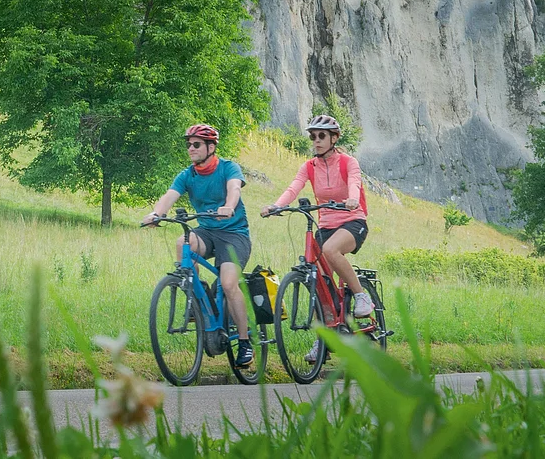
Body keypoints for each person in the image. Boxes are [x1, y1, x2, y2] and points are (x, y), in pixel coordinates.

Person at [141, 123, 255, 370]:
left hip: (234, 234)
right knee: (182, 243)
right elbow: (170, 196)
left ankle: (245, 342)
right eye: (188, 145)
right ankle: (198, 296)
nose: (191, 149)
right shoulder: (187, 175)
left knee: (227, 283)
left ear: (211, 147)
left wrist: (229, 206)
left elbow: (234, 188)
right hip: (207, 232)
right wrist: (156, 213)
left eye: (196, 144)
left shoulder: (228, 168)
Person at [270, 113, 374, 319]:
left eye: (321, 136)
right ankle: (323, 342)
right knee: (320, 285)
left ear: (334, 138)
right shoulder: (309, 166)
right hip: (325, 226)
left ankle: (361, 296)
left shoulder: (348, 162)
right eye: (313, 137)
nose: (316, 141)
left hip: (352, 221)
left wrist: (352, 198)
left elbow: (354, 182)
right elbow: (294, 188)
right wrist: (276, 206)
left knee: (330, 249)